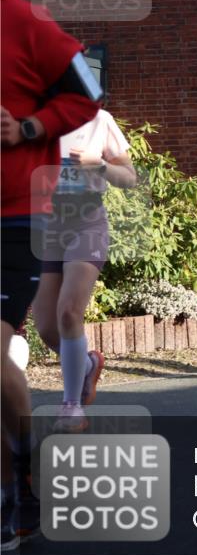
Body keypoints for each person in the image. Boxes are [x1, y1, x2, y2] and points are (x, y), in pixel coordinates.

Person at [1, 0, 102, 551]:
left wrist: (30, 127)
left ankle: (22, 479)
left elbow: (88, 95)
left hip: (20, 213)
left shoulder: (25, 21)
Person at [31, 110, 137, 433]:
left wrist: (99, 164)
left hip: (86, 224)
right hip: (44, 228)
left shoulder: (99, 120)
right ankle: (88, 364)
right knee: (47, 328)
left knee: (68, 313)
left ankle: (71, 405)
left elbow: (129, 178)